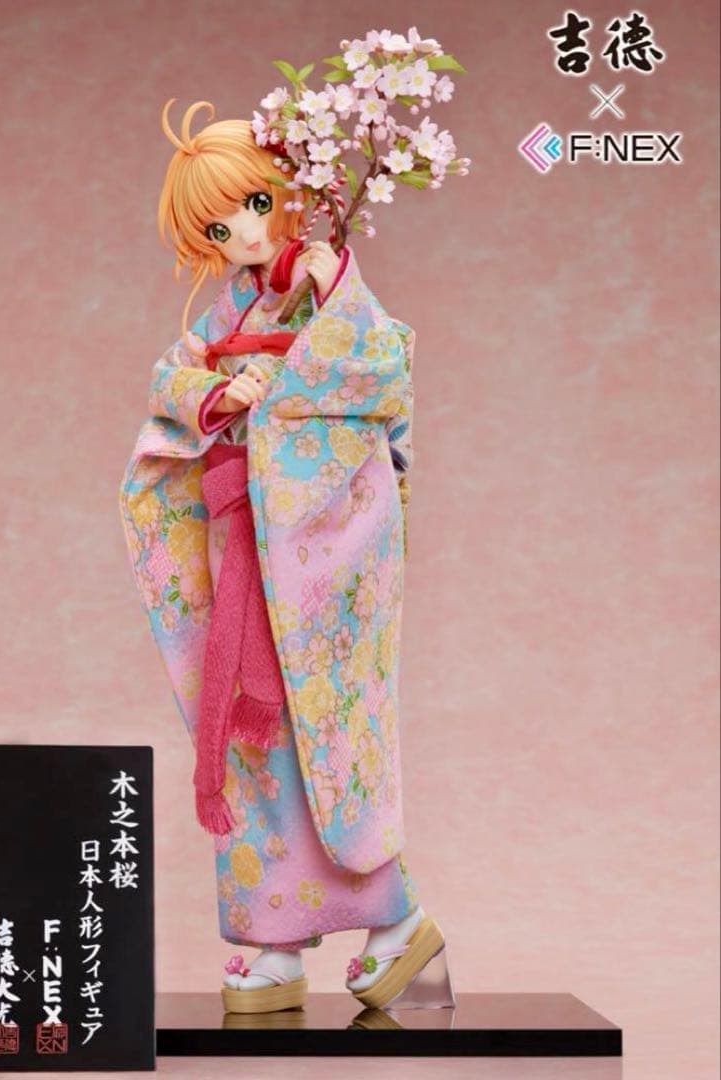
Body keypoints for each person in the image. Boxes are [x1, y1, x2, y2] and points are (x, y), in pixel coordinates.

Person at [118, 98, 449, 1014]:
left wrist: (307, 333)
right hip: (243, 545)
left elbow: (379, 375)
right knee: (251, 735)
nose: (246, 233)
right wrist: (222, 393)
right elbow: (169, 382)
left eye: (257, 205)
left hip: (320, 549)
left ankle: (396, 923)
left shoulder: (334, 293)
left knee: (328, 726)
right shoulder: (230, 307)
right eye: (220, 227)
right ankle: (273, 940)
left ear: (292, 193)